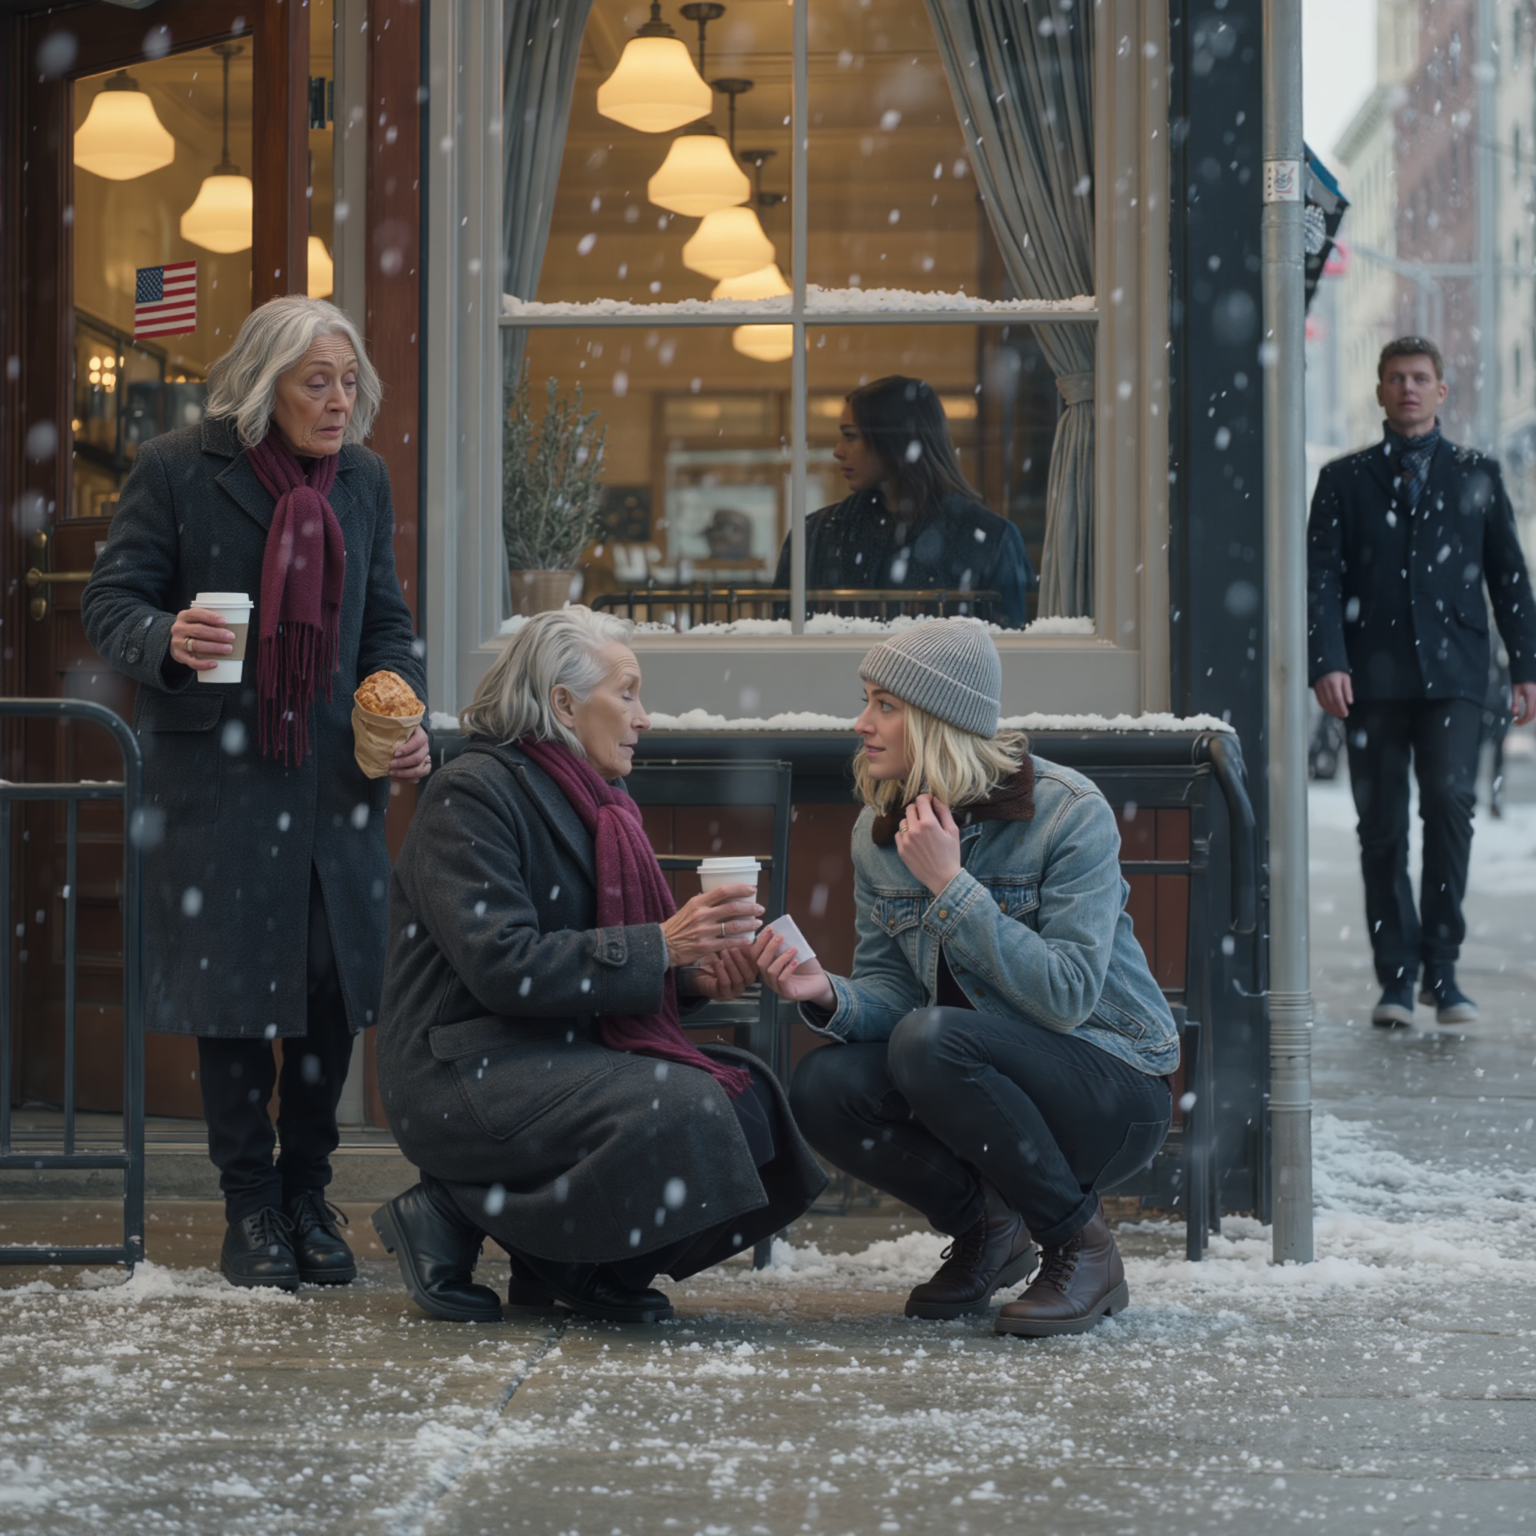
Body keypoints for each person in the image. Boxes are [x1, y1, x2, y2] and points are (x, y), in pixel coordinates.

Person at [81, 296, 430, 1290]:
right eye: (315, 381)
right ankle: (249, 1211)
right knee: (234, 993)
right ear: (263, 383)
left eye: (348, 380)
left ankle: (309, 1195)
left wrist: (406, 721)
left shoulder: (361, 480)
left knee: (327, 988)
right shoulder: (177, 468)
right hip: (217, 774)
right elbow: (111, 602)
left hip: (332, 775)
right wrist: (166, 639)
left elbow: (386, 626)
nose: (337, 400)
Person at [370, 607, 826, 1324]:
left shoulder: (602, 803)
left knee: (753, 1108)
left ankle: (577, 1261)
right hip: (463, 1065)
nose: (644, 716)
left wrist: (690, 977)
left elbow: (593, 955)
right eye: (627, 692)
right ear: (562, 703)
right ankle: (452, 1208)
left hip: (556, 1051)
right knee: (690, 1110)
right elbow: (502, 965)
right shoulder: (471, 794)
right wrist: (662, 946)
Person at [759, 619, 1177, 1337]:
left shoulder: (1068, 815)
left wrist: (951, 888)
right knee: (825, 1088)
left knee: (932, 1041)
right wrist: (827, 993)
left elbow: (1067, 995)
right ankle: (990, 1228)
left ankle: (1082, 1246)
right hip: (974, 1076)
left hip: (1112, 1086)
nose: (862, 724)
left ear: (939, 721)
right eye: (867, 701)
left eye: (885, 705)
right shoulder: (880, 833)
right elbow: (892, 997)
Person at [1308, 337, 1536, 1028]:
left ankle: (1443, 966)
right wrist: (1328, 659)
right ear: (1379, 391)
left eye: (1420, 378)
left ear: (1440, 392)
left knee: (1450, 805)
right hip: (1369, 682)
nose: (1408, 388)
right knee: (1380, 829)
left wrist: (1526, 668)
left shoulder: (1479, 474)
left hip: (1455, 676)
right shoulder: (1343, 481)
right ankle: (1397, 979)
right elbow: (1321, 581)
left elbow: (1510, 578)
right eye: (1396, 378)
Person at [771, 376, 1035, 627]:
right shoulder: (816, 534)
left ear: (894, 440)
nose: (838, 451)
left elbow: (1015, 651)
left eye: (850, 435)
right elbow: (782, 645)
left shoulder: (989, 538)